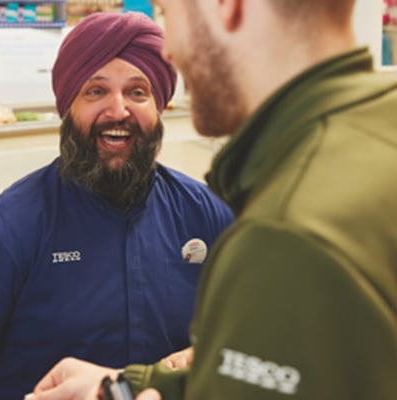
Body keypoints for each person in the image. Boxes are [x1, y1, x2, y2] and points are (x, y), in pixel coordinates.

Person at [32, 1, 397, 399]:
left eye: (169, 14)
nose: (169, 52)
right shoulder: (380, 124)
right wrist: (128, 386)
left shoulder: (287, 234)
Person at [0, 11, 234, 400]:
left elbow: (257, 335)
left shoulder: (206, 213)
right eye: (96, 91)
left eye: (137, 92)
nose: (118, 111)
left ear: (160, 106)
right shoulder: (10, 227)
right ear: (67, 107)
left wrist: (199, 359)